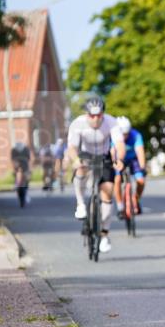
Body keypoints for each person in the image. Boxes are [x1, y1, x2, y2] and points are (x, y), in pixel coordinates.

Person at [67, 96, 126, 254]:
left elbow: (120, 144)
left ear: (103, 114)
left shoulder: (111, 122)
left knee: (107, 192)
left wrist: (119, 159)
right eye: (91, 116)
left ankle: (104, 235)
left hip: (104, 156)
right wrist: (75, 159)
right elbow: (72, 147)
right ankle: (80, 204)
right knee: (80, 168)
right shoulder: (77, 124)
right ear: (86, 115)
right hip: (85, 155)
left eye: (98, 115)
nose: (95, 119)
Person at [115, 116, 147, 214]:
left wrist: (142, 167)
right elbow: (112, 152)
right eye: (123, 134)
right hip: (119, 160)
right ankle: (120, 206)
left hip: (133, 160)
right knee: (117, 180)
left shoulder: (136, 135)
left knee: (141, 181)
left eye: (126, 134)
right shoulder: (114, 136)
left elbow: (140, 151)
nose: (125, 136)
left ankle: (135, 200)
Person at [10, 141, 32, 206]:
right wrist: (15, 168)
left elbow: (29, 159)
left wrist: (29, 169)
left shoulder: (26, 150)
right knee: (18, 178)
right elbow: (13, 160)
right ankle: (17, 185)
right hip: (18, 167)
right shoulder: (14, 150)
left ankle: (25, 191)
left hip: (25, 167)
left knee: (26, 179)